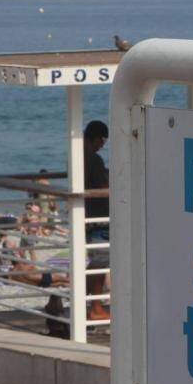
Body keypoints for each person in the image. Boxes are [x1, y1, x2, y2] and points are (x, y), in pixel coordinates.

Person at [84, 120, 110, 320]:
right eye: (102, 140)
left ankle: (90, 305)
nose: (103, 144)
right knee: (99, 264)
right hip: (98, 218)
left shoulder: (79, 157)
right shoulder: (94, 159)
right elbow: (103, 186)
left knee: (94, 263)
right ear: (96, 138)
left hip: (86, 215)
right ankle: (96, 307)